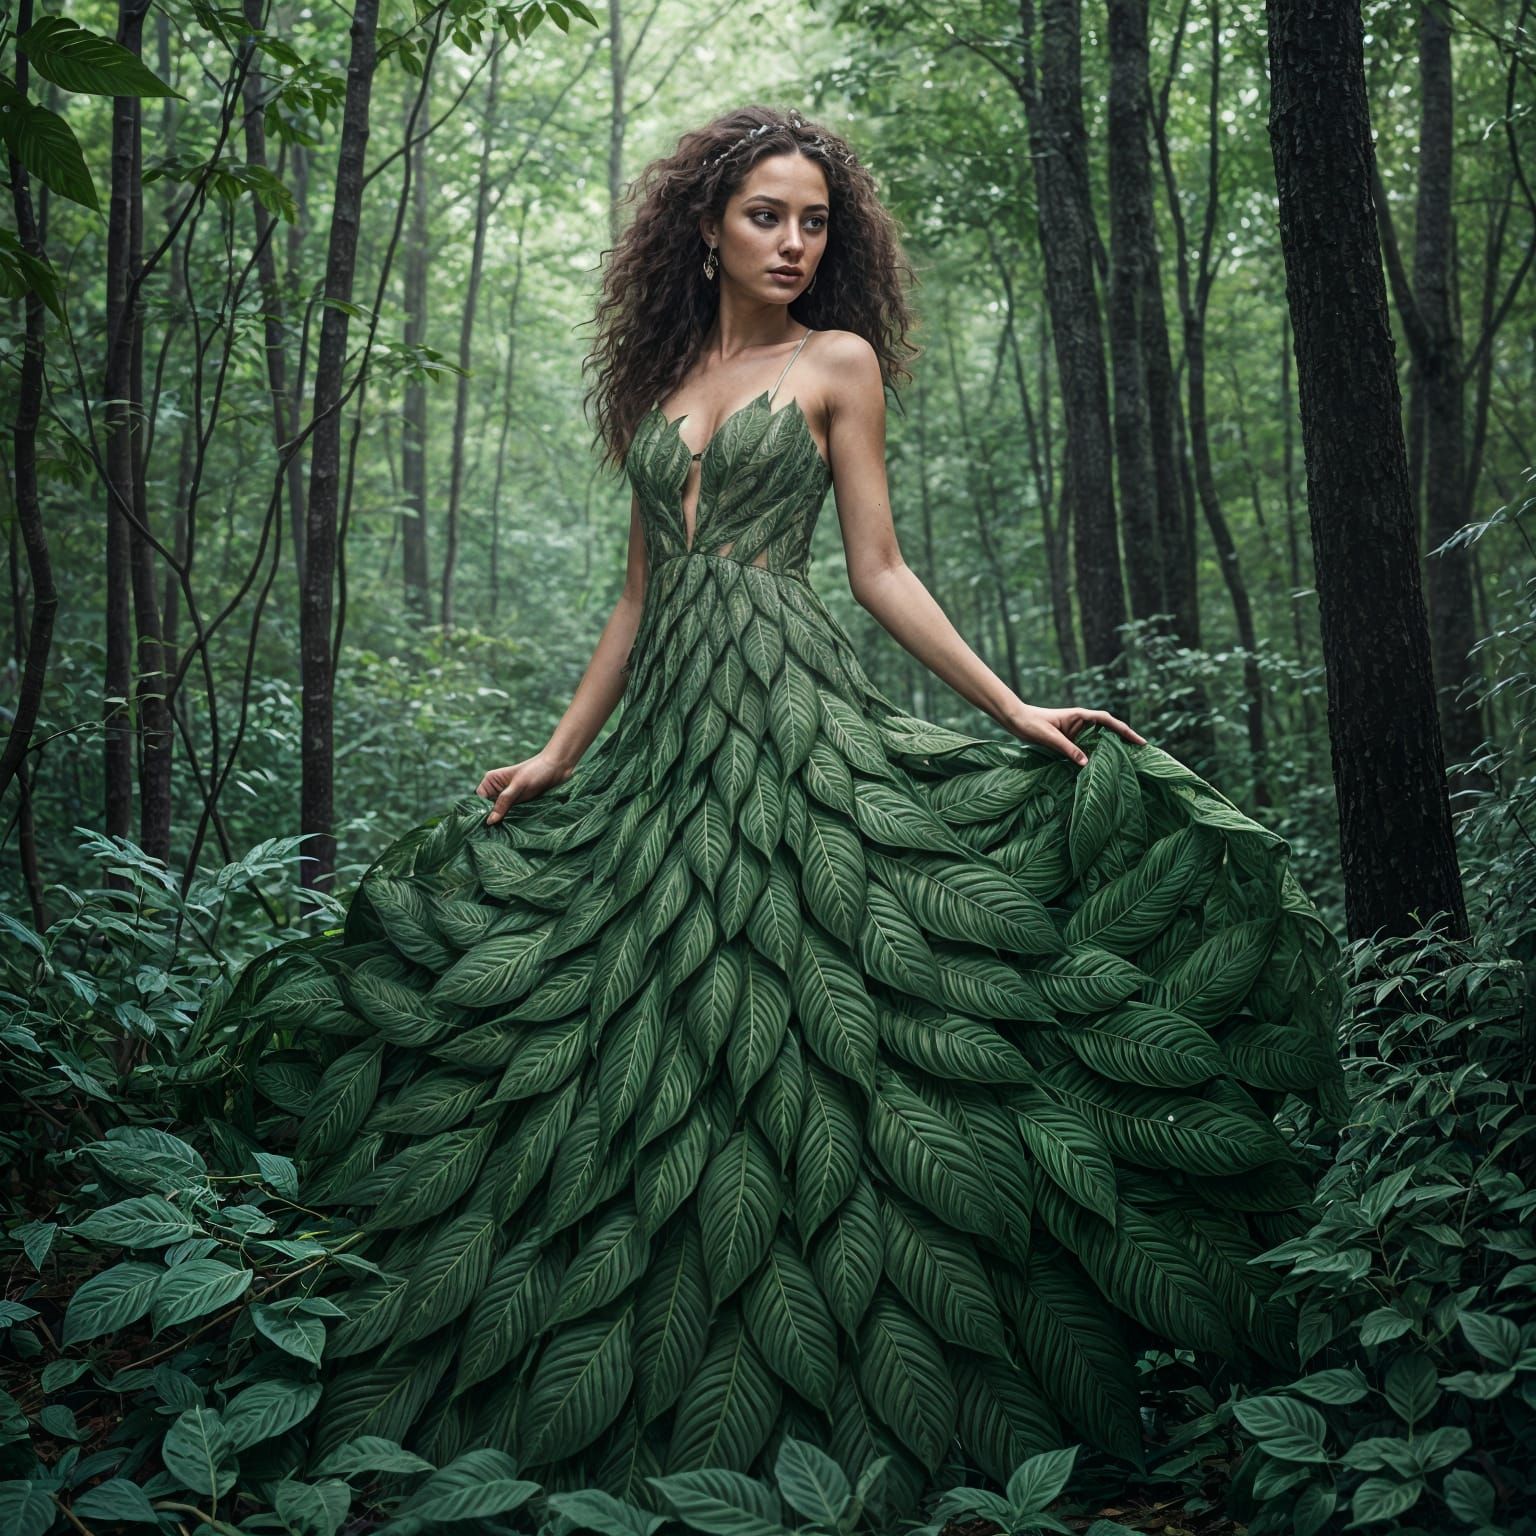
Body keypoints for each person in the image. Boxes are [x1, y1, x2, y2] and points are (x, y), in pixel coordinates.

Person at [235, 105, 1348, 1511]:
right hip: (667, 737)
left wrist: (1009, 708)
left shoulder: (839, 361)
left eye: (815, 219)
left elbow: (877, 567)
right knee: (636, 997)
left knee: (850, 973)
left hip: (792, 703)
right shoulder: (663, 384)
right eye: (767, 214)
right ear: (703, 227)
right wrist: (558, 757)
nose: (794, 240)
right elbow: (639, 597)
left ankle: (931, 1367)